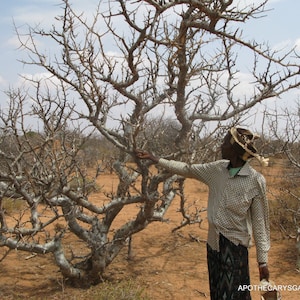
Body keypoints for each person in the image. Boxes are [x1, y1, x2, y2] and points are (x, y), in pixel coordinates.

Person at [136, 127, 270, 300]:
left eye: (224, 143)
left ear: (235, 151)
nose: (221, 146)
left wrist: (263, 262)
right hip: (213, 245)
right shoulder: (216, 170)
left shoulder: (255, 181)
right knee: (217, 292)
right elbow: (187, 169)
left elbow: (260, 224)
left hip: (235, 248)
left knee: (233, 294)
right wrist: (156, 159)